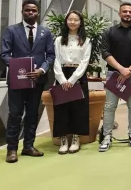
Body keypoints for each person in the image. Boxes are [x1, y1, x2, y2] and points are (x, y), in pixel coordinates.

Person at [0, 0, 55, 163]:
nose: (30, 13)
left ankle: (28, 146)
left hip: (37, 80)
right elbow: (4, 54)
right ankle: (11, 149)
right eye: (27, 10)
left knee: (32, 113)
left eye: (33, 10)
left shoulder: (46, 33)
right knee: (15, 114)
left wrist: (41, 70)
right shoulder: (11, 30)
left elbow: (51, 56)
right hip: (17, 81)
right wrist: (18, 66)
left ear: (38, 12)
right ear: (22, 12)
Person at [99, 2, 131, 152]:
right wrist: (121, 70)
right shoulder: (109, 32)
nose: (127, 14)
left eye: (130, 12)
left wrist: (129, 70)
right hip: (114, 75)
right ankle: (106, 137)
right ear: (119, 14)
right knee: (110, 107)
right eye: (124, 11)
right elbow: (105, 52)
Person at [53, 10, 91, 155]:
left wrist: (73, 79)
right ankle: (63, 140)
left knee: (79, 108)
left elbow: (85, 61)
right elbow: (55, 59)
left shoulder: (86, 40)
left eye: (76, 20)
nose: (73, 22)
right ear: (66, 21)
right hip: (62, 75)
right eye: (70, 19)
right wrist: (62, 79)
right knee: (62, 108)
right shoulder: (58, 40)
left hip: (78, 76)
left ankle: (76, 139)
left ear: (80, 22)